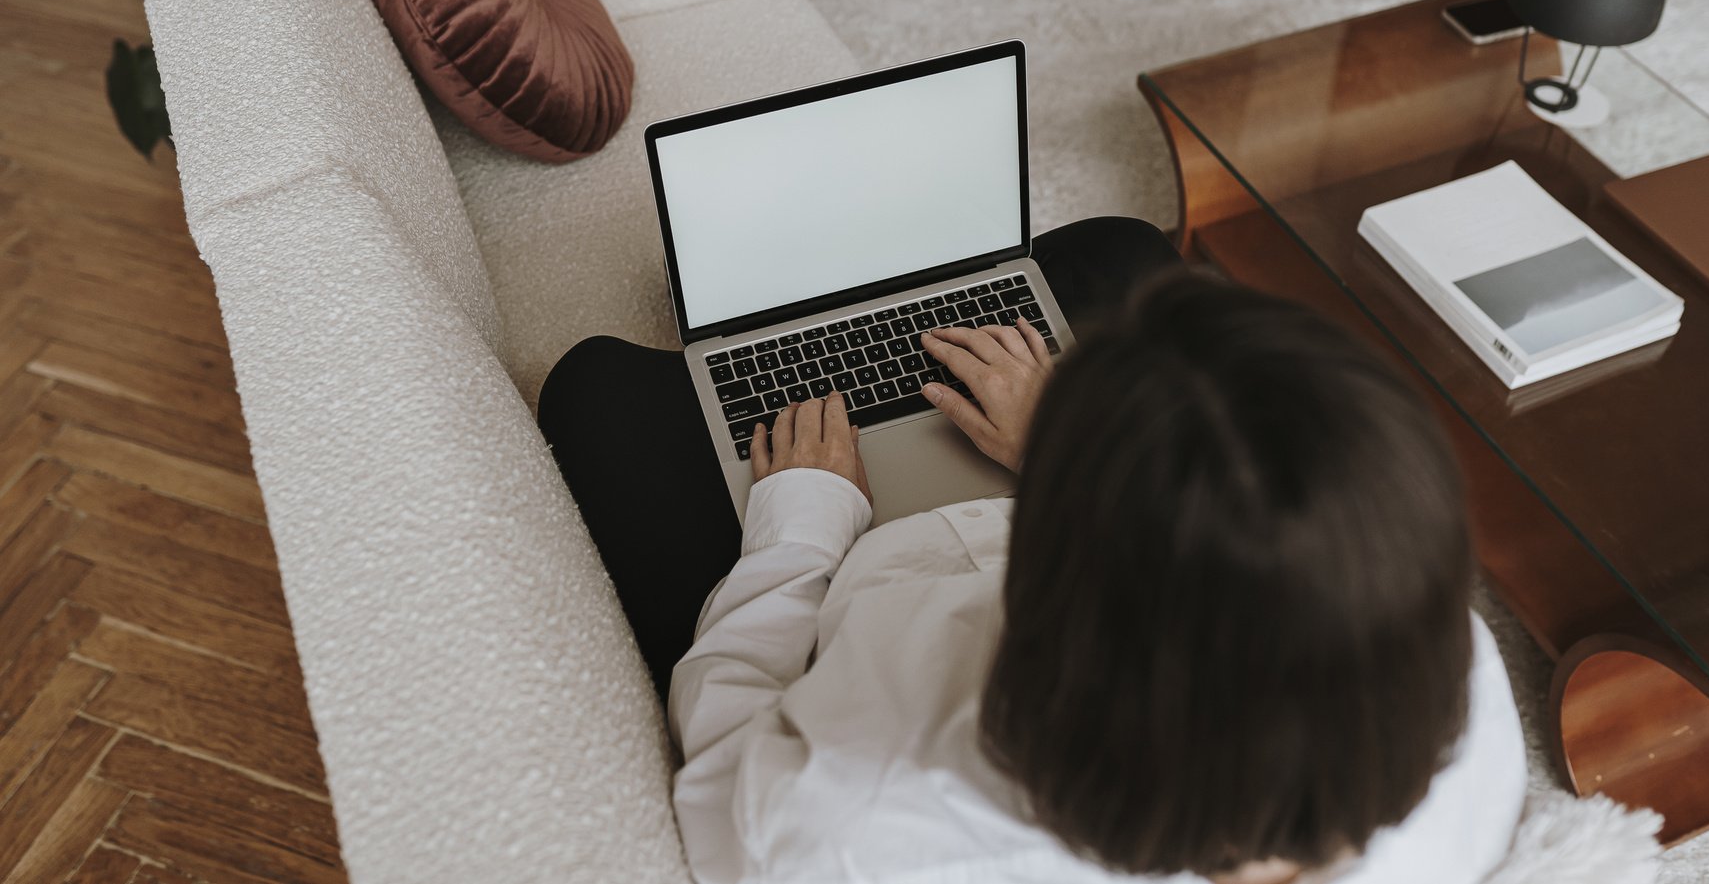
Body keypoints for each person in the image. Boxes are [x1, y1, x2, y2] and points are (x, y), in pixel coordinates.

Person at [537, 217, 1525, 884]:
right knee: (1121, 248)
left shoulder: (846, 824)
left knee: (593, 392)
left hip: (847, 560)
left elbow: (719, 741)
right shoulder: (1454, 685)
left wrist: (801, 527)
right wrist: (1096, 440)